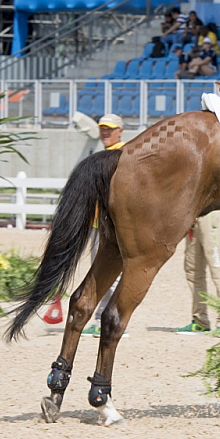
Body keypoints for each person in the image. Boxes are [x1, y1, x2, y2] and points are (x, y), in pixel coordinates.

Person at [81, 114, 126, 337]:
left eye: (110, 128)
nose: (105, 132)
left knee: (112, 272)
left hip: (111, 223)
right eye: (102, 128)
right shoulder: (104, 154)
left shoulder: (121, 154)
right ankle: (102, 316)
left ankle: (113, 317)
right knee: (100, 271)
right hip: (99, 222)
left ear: (120, 130)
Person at [176, 210, 220, 335]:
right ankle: (200, 320)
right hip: (193, 216)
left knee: (218, 270)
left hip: (211, 212)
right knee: (193, 270)